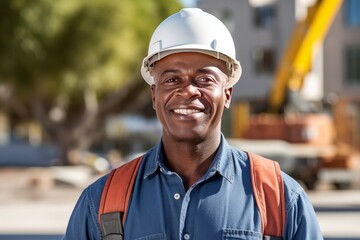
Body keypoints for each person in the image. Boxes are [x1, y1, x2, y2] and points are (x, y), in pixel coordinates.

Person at [63, 8, 323, 240]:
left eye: (205, 79)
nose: (188, 91)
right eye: (172, 80)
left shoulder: (279, 198)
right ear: (154, 96)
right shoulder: (102, 203)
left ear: (228, 94)